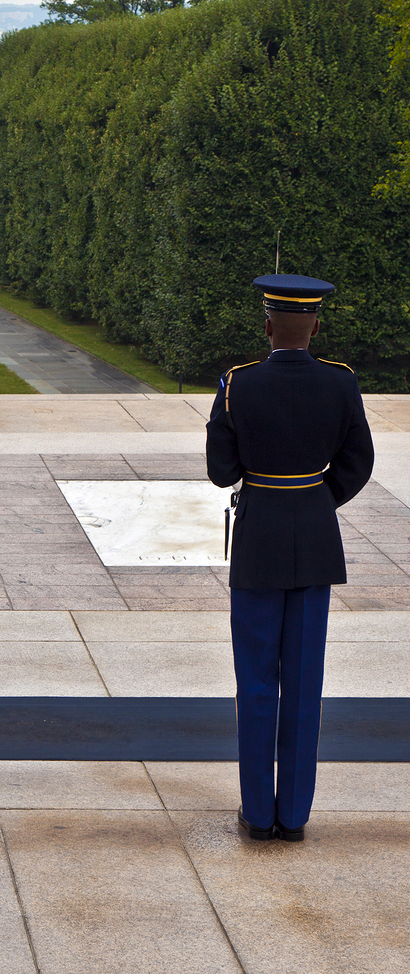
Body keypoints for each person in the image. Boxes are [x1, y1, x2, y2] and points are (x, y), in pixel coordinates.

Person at [206, 273, 373, 842]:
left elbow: (221, 472)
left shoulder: (238, 383)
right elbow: (358, 462)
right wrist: (318, 498)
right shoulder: (340, 384)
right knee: (304, 682)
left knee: (255, 682)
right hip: (314, 534)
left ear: (269, 325)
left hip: (259, 540)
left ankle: (258, 815)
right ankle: (294, 817)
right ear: (316, 326)